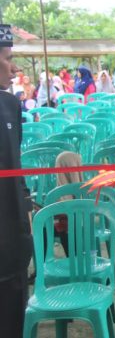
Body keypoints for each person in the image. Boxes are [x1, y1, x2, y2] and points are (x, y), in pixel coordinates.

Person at [0, 23, 33, 338]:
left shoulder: (9, 105)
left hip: (11, 244)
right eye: (7, 58)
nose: (14, 68)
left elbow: (15, 168)